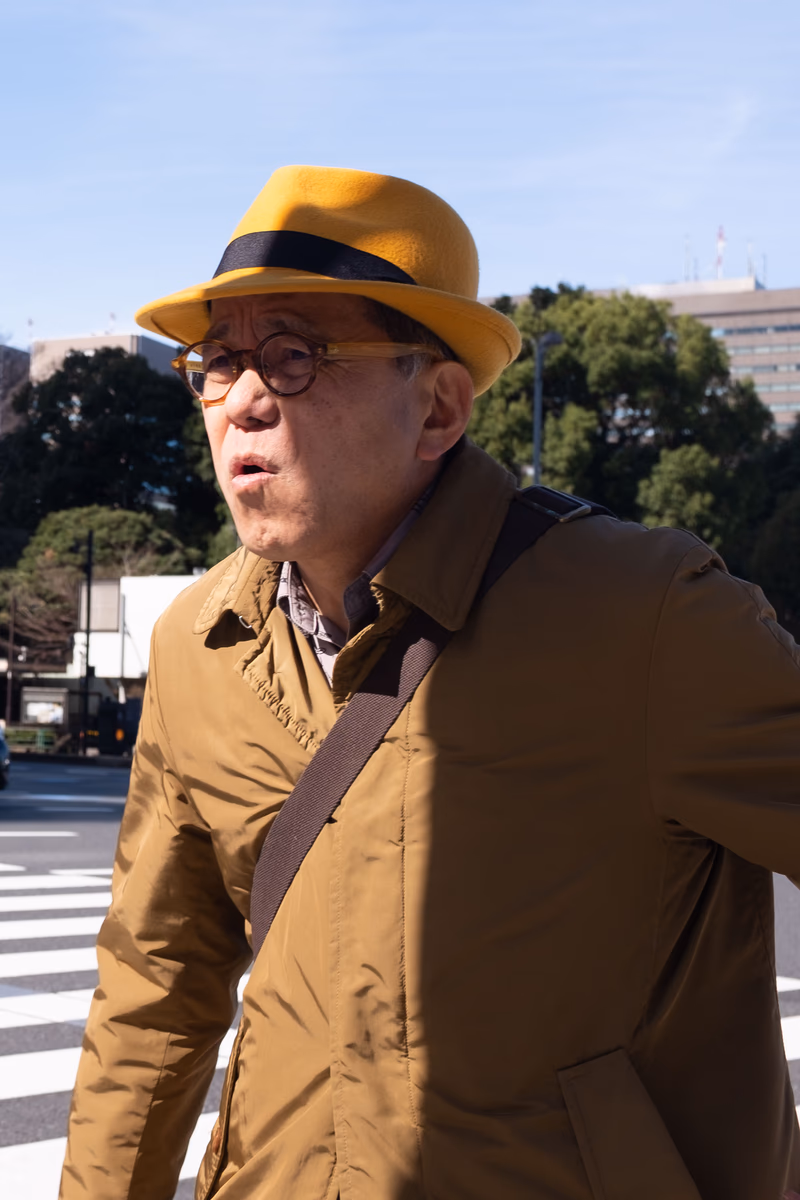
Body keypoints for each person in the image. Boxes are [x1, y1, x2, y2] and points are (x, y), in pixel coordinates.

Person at [60, 165, 800, 1200]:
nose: (244, 403)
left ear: (439, 409)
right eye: (218, 363)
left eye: (296, 357)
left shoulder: (644, 613)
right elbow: (155, 991)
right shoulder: (201, 640)